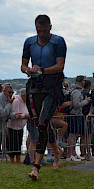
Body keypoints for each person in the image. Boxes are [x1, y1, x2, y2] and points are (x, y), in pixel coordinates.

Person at [21, 14, 66, 180]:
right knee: (43, 124)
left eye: (44, 31)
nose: (41, 34)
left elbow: (60, 65)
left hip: (53, 86)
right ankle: (57, 150)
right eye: (39, 31)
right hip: (36, 86)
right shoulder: (29, 42)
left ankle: (36, 167)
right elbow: (23, 65)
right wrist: (29, 70)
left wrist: (42, 70)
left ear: (50, 28)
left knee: (42, 123)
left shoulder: (58, 41)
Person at [8, 88, 28, 164]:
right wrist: (26, 115)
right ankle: (12, 160)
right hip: (13, 126)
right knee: (13, 143)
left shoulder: (24, 102)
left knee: (19, 143)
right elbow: (17, 114)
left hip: (20, 126)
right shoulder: (16, 101)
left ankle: (18, 159)